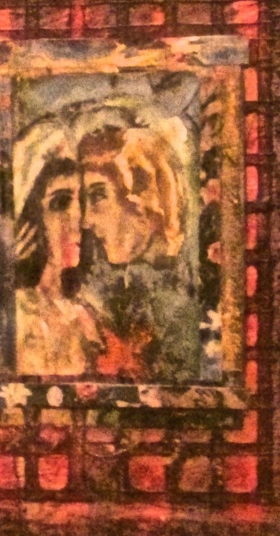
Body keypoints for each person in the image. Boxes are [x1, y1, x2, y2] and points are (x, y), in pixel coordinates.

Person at [75, 110, 201, 383]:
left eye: (98, 195)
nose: (86, 221)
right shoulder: (95, 296)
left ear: (145, 193)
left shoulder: (188, 305)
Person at [11, 119, 102, 376]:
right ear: (30, 217)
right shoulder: (18, 316)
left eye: (82, 201)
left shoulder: (85, 316)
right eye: (60, 203)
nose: (80, 220)